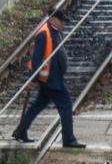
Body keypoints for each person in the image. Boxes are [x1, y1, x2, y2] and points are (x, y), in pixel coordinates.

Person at [11, 9, 85, 149]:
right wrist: (32, 79)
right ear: (52, 20)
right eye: (61, 21)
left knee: (38, 104)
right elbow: (37, 59)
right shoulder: (44, 34)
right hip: (51, 79)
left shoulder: (55, 31)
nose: (63, 24)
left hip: (51, 77)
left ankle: (21, 130)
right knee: (66, 105)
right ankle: (69, 138)